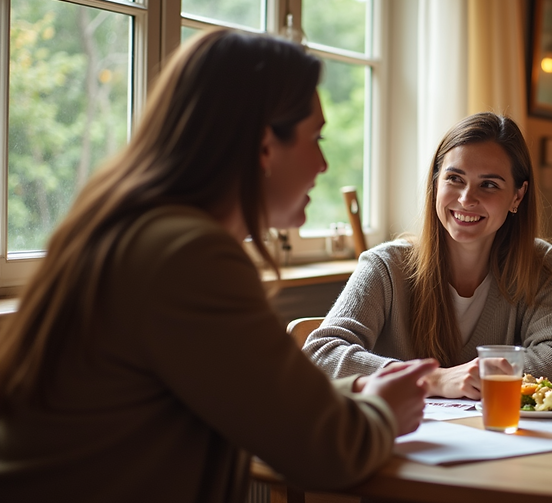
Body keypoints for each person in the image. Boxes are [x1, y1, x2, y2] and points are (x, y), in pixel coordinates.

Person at [0, 29, 437, 502]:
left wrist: (360, 390)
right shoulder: (187, 256)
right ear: (264, 146)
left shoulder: (128, 227)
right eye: (316, 138)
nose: (324, 164)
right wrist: (384, 414)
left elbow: (259, 401)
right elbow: (325, 452)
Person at [303, 113, 552, 399]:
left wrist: (476, 375)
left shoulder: (538, 263)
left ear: (517, 196)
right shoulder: (385, 266)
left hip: (497, 428)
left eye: (489, 184)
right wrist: (434, 379)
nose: (466, 199)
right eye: (455, 179)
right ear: (436, 183)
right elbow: (319, 355)